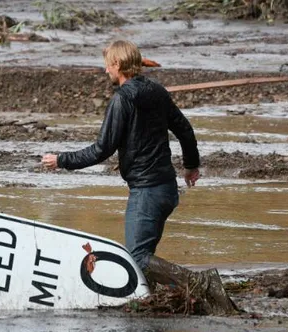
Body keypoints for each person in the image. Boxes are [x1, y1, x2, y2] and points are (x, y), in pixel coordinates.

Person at [42, 40, 236, 313]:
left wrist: (61, 160)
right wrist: (191, 166)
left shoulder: (123, 99)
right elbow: (185, 129)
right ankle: (161, 303)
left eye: (107, 64)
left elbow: (102, 149)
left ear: (117, 65)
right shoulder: (156, 90)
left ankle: (199, 284)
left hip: (147, 192)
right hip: (166, 189)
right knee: (146, 260)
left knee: (136, 258)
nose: (105, 70)